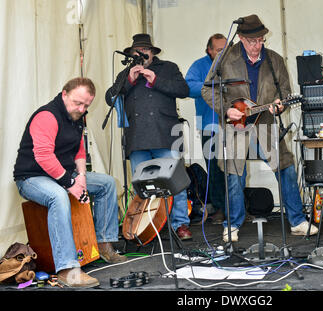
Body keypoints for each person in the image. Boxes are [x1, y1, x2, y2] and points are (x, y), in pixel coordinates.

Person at [201, 14, 318, 242]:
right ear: (242, 38)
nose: (258, 45)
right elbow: (208, 90)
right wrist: (226, 109)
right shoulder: (225, 58)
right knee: (234, 174)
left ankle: (298, 221)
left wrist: (279, 106)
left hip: (265, 122)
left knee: (285, 168)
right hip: (236, 125)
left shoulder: (274, 60)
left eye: (261, 40)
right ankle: (232, 224)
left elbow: (283, 92)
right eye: (252, 41)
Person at [13, 77, 127, 288]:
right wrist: (70, 183)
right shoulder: (47, 116)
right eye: (78, 103)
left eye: (86, 105)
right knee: (58, 196)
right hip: (31, 177)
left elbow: (79, 150)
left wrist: (81, 176)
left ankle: (103, 245)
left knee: (107, 183)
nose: (82, 109)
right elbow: (44, 157)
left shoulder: (77, 117)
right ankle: (67, 269)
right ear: (64, 94)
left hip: (62, 175)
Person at [105, 33, 193, 240]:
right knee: (142, 185)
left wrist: (156, 80)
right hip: (137, 137)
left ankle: (180, 224)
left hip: (165, 133)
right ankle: (146, 226)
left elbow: (183, 89)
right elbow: (110, 98)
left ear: (152, 52)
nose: (141, 54)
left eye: (145, 50)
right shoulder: (125, 74)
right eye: (137, 51)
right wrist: (129, 80)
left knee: (175, 181)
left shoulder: (169, 68)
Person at [185, 33, 227, 224]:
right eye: (219, 50)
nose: (223, 53)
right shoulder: (199, 66)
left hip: (235, 125)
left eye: (225, 49)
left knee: (236, 169)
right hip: (209, 126)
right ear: (209, 50)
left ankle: (237, 209)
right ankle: (219, 209)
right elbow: (188, 87)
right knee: (215, 170)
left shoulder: (232, 64)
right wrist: (212, 86)